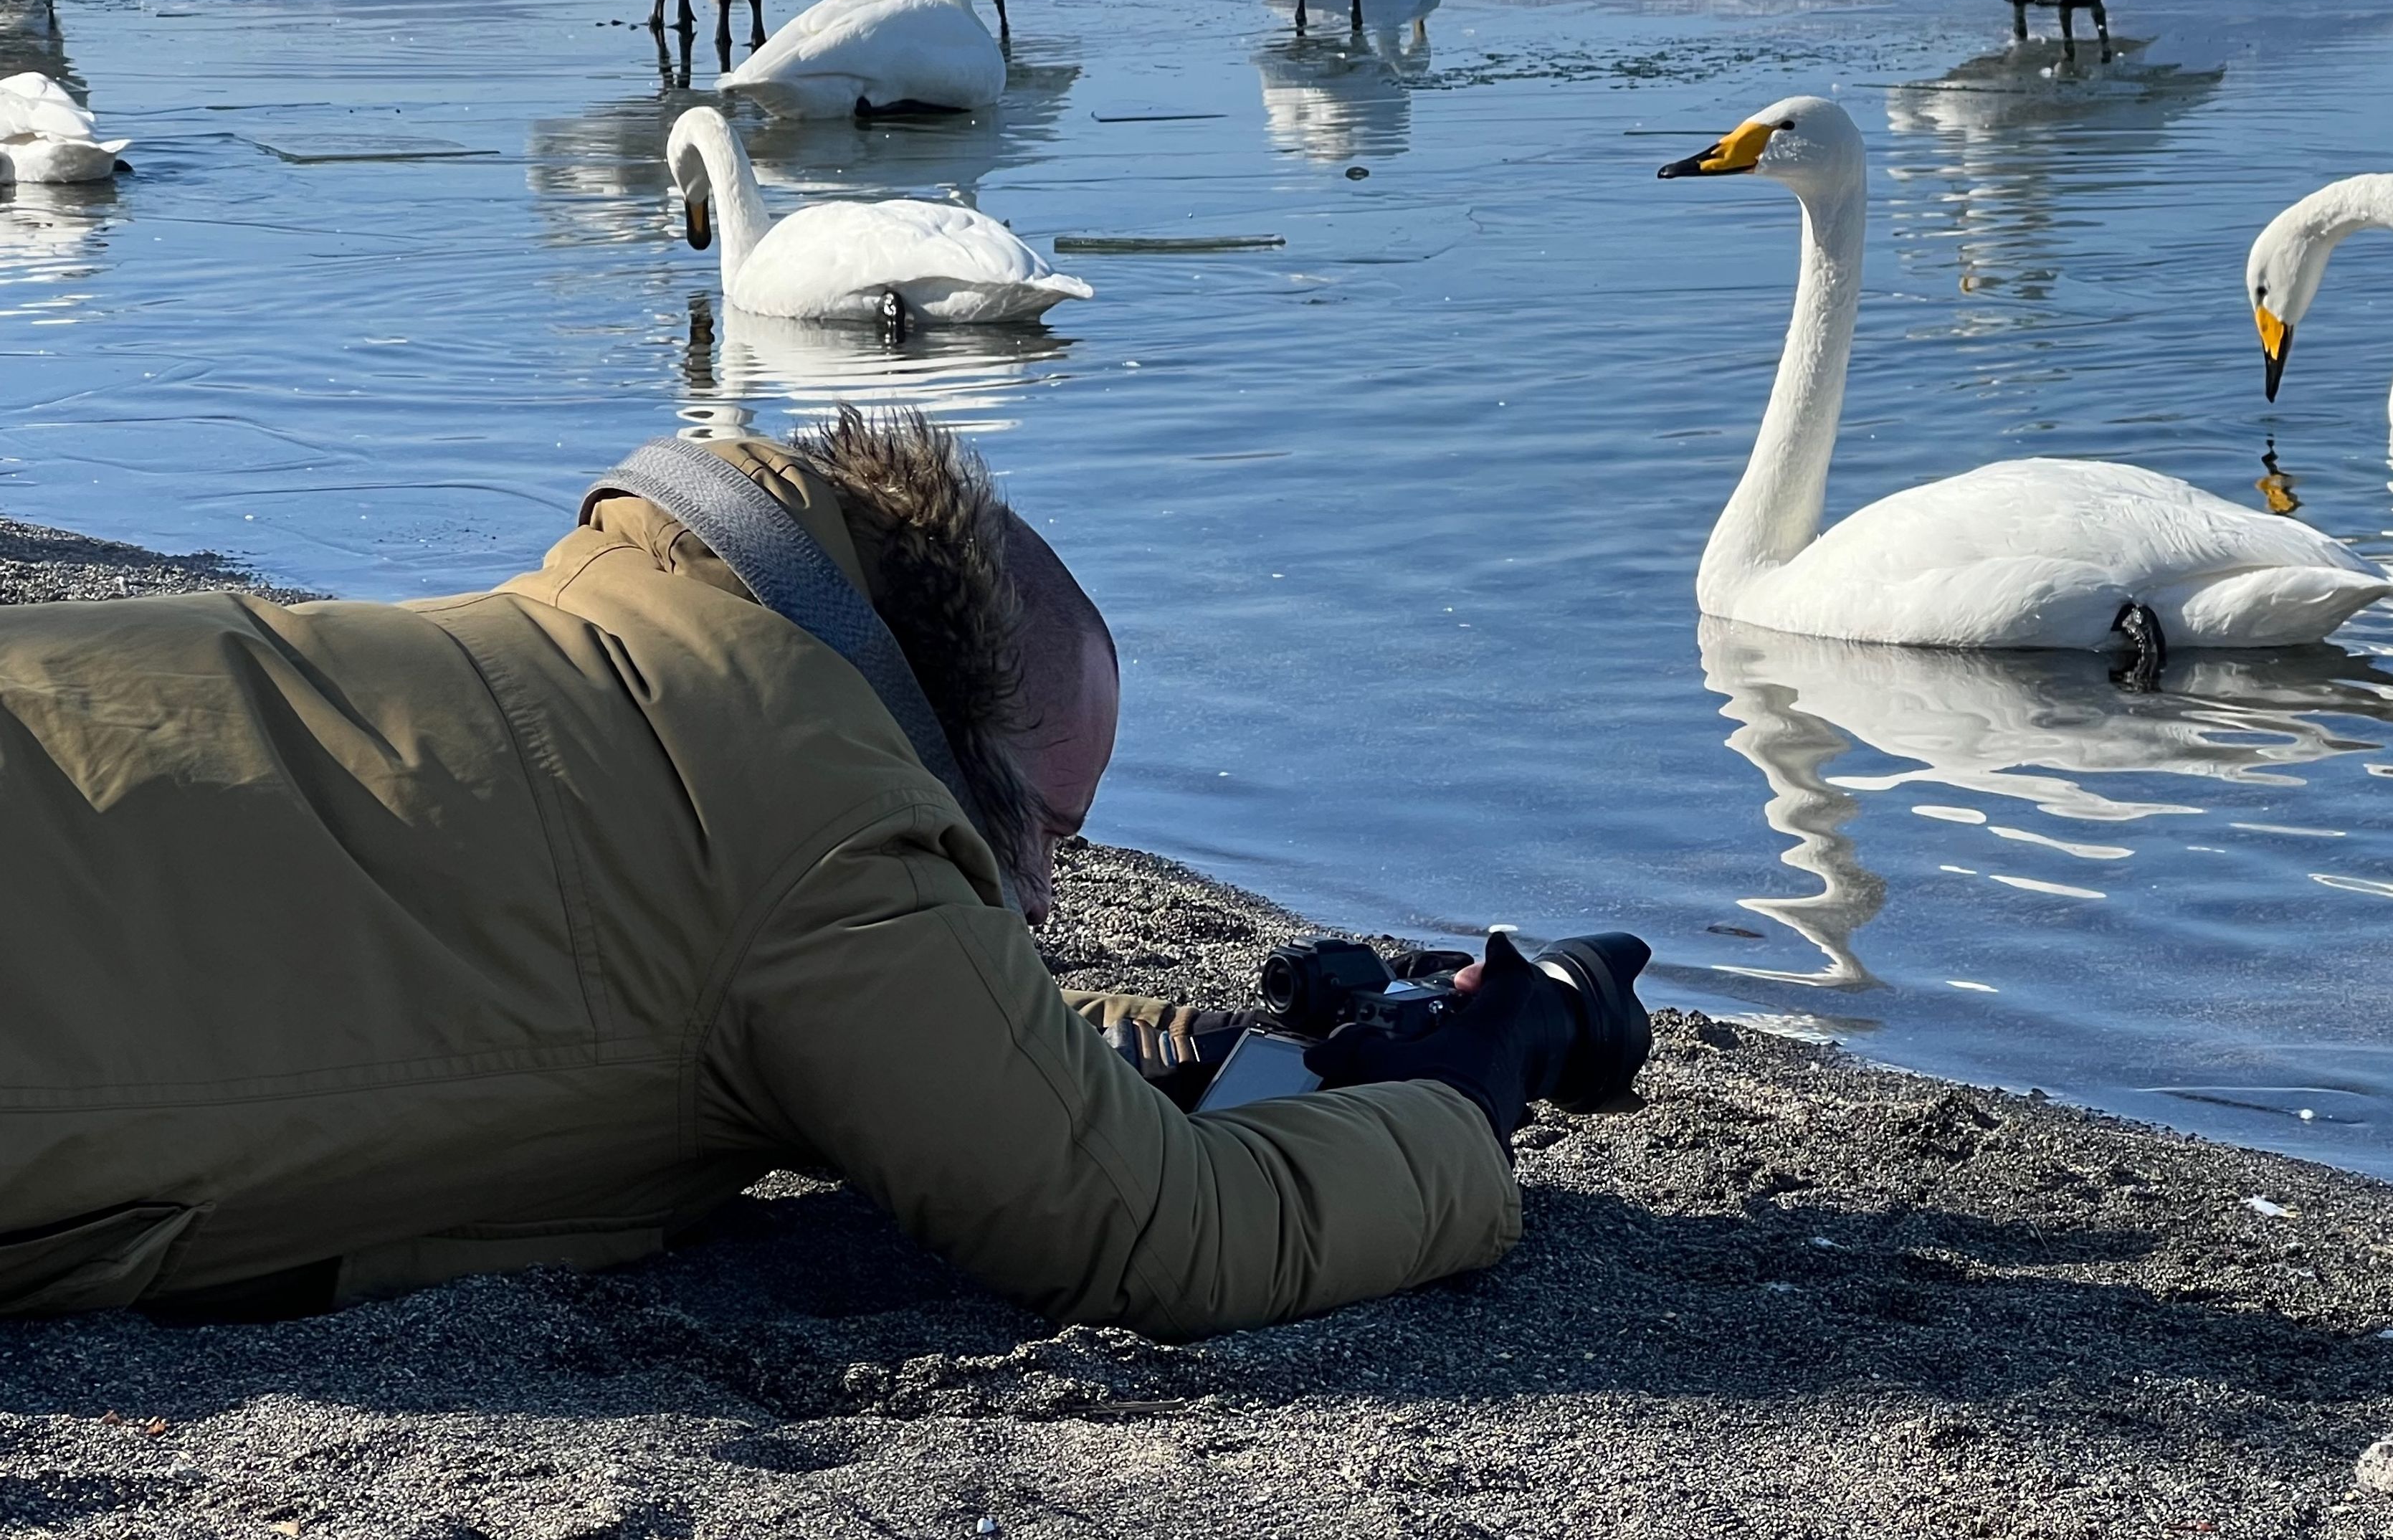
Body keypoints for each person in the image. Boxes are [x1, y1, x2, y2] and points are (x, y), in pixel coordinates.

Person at [0, 409, 1616, 1336]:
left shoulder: (634, 646)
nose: (1047, 899)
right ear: (935, 723)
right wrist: (1472, 1098)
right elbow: (1158, 1232)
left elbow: (725, 974)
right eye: (1043, 830)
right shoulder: (816, 822)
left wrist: (1150, 1040)